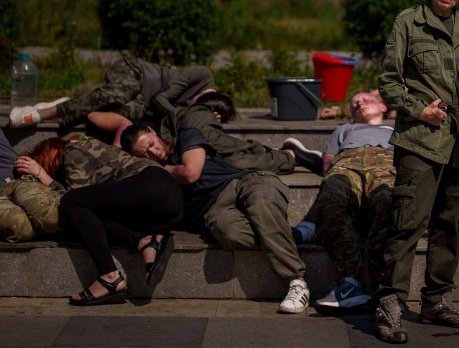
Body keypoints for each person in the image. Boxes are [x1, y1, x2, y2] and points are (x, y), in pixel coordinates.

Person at [372, 0, 459, 344]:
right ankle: (390, 303)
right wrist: (417, 109)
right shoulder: (409, 22)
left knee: (449, 226)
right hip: (421, 141)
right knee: (407, 223)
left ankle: (436, 301)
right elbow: (389, 83)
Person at [121, 124, 311, 314]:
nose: (153, 152)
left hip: (244, 182)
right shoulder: (147, 176)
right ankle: (295, 235)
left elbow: (190, 173)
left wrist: (157, 168)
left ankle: (297, 281)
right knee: (230, 233)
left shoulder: (186, 137)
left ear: (152, 130)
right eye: (145, 154)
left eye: (152, 143)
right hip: (215, 209)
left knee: (262, 204)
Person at [15, 136, 183, 305]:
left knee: (70, 203)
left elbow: (74, 197)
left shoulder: (73, 150)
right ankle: (146, 242)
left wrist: (42, 175)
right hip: (166, 209)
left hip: (154, 185)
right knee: (87, 219)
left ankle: (109, 275)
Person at [302, 91, 395, 312]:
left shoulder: (395, 127)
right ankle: (350, 282)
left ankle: (377, 281)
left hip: (386, 162)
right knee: (332, 196)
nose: (359, 103)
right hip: (347, 162)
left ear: (383, 107)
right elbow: (328, 162)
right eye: (354, 104)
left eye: (366, 99)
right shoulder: (345, 129)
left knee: (387, 198)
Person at [7, 57, 216, 145]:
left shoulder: (197, 107)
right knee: (118, 95)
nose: (191, 104)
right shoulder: (202, 74)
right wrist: (177, 114)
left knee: (126, 113)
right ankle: (41, 114)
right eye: (198, 102)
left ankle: (71, 103)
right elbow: (161, 98)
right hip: (136, 74)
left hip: (143, 103)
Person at [159, 92, 323, 175]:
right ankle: (291, 155)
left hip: (191, 161)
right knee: (233, 162)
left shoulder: (196, 113)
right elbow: (213, 140)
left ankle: (291, 156)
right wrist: (255, 147)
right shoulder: (200, 111)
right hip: (191, 160)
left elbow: (211, 139)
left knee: (234, 163)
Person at [0, 129, 62, 243]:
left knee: (48, 218)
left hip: (25, 181)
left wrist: (43, 176)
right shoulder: (17, 163)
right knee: (20, 226)